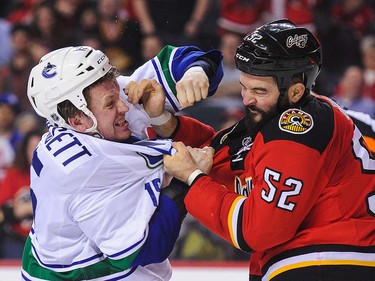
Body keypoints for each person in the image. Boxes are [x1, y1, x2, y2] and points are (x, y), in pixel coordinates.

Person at [129, 19, 375, 280]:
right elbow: (217, 153)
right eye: (244, 87)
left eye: (259, 90)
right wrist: (161, 120)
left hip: (330, 261)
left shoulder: (298, 124)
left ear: (295, 91)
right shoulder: (280, 121)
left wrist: (192, 178)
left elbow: (257, 230)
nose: (247, 99)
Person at [21, 45, 223, 280]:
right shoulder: (80, 167)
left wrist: (196, 72)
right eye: (111, 103)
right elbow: (145, 249)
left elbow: (184, 60)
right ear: (77, 120)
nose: (125, 106)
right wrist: (187, 179)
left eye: (118, 92)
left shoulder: (99, 103)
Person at [0, 129, 43, 259]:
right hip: (18, 239)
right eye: (32, 148)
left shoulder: (57, 176)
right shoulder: (15, 174)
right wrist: (14, 211)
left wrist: (28, 207)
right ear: (25, 151)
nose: (36, 153)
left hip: (47, 240)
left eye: (40, 148)